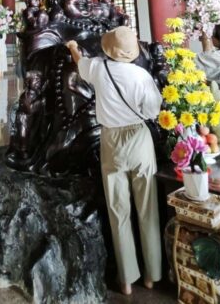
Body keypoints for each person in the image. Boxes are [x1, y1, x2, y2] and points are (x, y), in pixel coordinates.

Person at [66, 26, 162, 296]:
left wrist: (73, 47)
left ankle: (126, 279)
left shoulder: (98, 69)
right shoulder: (142, 75)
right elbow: (153, 110)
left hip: (111, 140)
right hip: (139, 139)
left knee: (118, 211)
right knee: (147, 208)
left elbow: (79, 62)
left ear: (109, 49)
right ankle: (153, 275)